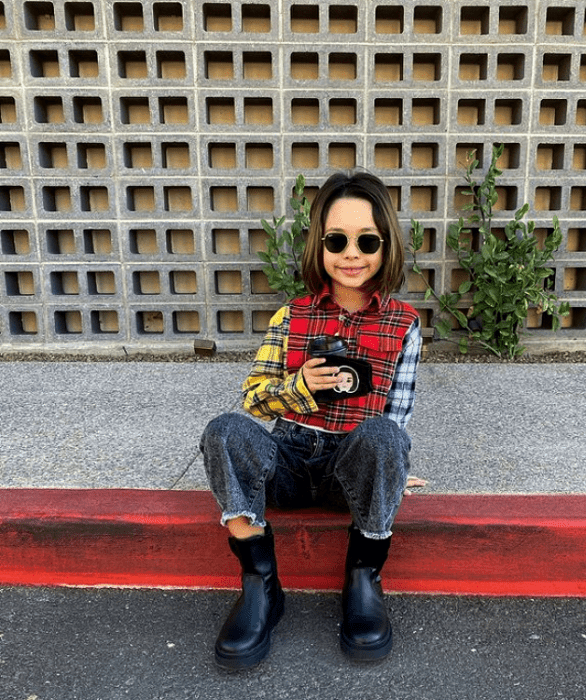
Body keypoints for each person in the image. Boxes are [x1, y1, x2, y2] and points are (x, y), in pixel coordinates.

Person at [200, 171, 422, 670]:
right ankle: (260, 584)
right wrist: (301, 387)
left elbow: (397, 415)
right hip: (291, 460)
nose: (351, 254)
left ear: (386, 246)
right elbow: (254, 402)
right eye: (336, 240)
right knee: (223, 430)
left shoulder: (404, 324)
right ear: (318, 245)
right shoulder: (290, 317)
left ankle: (363, 578)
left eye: (367, 241)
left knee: (385, 434)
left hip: (351, 470)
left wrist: (396, 465)